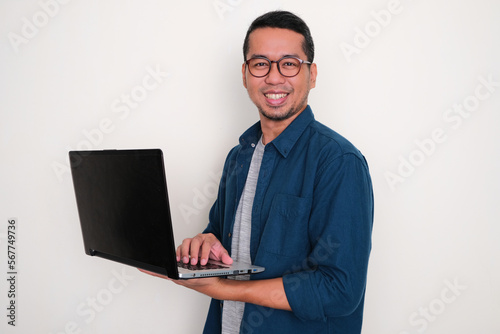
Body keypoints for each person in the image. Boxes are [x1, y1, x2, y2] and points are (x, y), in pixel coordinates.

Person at [141, 10, 374, 334]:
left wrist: (226, 290)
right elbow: (223, 241)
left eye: (289, 63)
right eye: (261, 63)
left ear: (313, 74)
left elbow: (339, 290)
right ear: (245, 73)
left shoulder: (338, 161)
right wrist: (206, 244)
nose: (274, 77)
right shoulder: (239, 157)